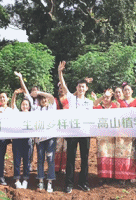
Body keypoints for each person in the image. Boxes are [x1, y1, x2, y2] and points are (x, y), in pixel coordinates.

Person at [58, 61, 94, 193]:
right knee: (70, 158)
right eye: (79, 86)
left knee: (85, 159)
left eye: (83, 87)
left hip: (85, 133)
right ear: (77, 88)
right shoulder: (72, 99)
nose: (81, 89)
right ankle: (68, 184)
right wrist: (60, 72)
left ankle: (83, 183)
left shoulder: (89, 103)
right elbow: (63, 85)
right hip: (72, 133)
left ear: (86, 89)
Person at [31, 89, 57, 193]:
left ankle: (50, 182)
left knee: (50, 160)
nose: (44, 100)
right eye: (41, 99)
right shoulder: (36, 109)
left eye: (45, 98)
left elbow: (51, 96)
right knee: (40, 159)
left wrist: (40, 93)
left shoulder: (51, 108)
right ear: (39, 101)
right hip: (39, 139)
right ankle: (41, 181)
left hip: (50, 138)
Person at [93, 88, 120, 184]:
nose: (106, 99)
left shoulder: (115, 106)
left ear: (111, 97)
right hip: (102, 136)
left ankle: (111, 175)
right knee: (103, 155)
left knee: (112, 156)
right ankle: (103, 176)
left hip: (112, 136)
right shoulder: (99, 107)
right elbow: (94, 104)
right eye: (104, 97)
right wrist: (102, 97)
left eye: (108, 97)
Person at [11, 87, 34, 189]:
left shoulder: (33, 115)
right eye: (23, 104)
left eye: (26, 105)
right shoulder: (17, 113)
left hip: (28, 140)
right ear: (21, 106)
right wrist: (14, 94)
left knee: (26, 160)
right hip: (17, 140)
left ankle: (25, 179)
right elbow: (12, 105)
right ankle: (17, 179)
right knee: (16, 160)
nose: (24, 106)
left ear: (29, 107)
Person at [54, 82, 69, 174]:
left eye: (63, 88)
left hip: (67, 126)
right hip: (58, 126)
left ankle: (64, 167)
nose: (61, 89)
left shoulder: (69, 99)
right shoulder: (55, 100)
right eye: (60, 88)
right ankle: (56, 167)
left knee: (66, 147)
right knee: (58, 146)